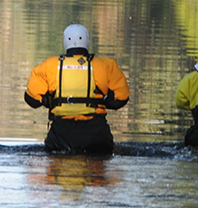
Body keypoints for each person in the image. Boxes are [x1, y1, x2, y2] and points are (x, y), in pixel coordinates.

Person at [24, 24, 130, 154]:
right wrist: (101, 101)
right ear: (88, 41)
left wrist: (49, 101)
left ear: (65, 42)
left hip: (62, 134)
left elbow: (31, 99)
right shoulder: (107, 65)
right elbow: (121, 98)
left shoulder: (49, 65)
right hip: (97, 133)